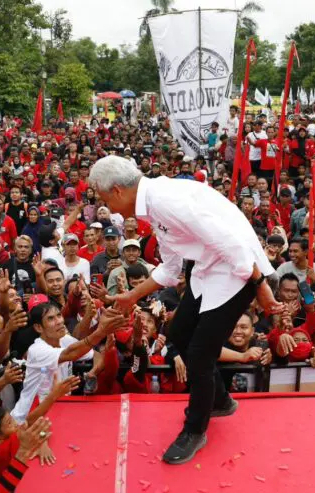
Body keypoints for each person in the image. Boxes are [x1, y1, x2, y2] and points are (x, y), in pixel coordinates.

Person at [88, 155, 282, 464]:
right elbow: (170, 268)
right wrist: (130, 297)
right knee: (178, 334)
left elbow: (232, 244)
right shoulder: (152, 203)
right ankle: (218, 399)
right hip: (208, 266)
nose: (107, 208)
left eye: (103, 199)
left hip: (237, 271)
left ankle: (196, 429)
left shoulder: (165, 201)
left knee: (201, 355)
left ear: (117, 192)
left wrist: (260, 283)